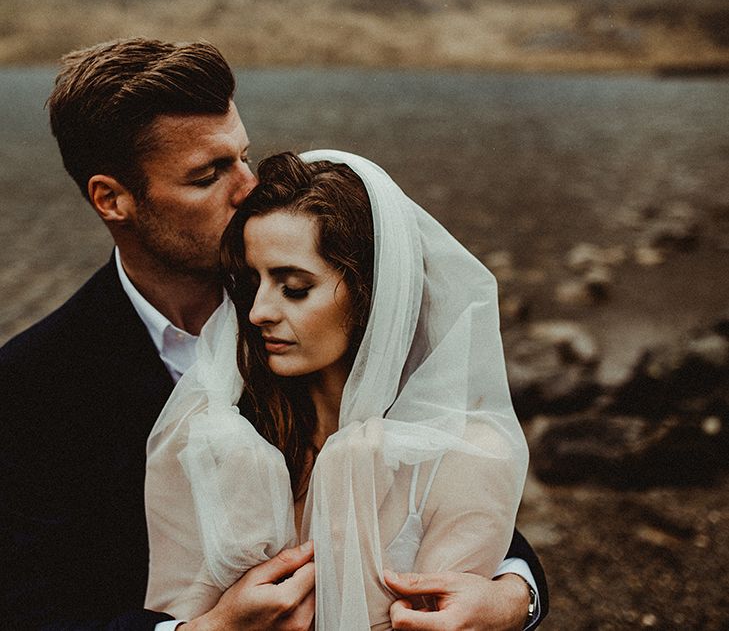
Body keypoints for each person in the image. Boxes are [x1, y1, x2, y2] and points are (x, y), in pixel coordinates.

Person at [0, 37, 547, 630]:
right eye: (209, 174)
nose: (247, 186)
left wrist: (515, 596)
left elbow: (451, 483)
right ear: (113, 199)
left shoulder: (329, 321)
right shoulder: (30, 387)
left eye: (243, 155)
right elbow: (29, 606)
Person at [144, 150, 537, 631]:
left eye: (293, 287)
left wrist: (518, 597)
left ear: (371, 290)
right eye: (253, 283)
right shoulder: (215, 437)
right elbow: (170, 611)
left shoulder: (467, 458)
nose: (257, 312)